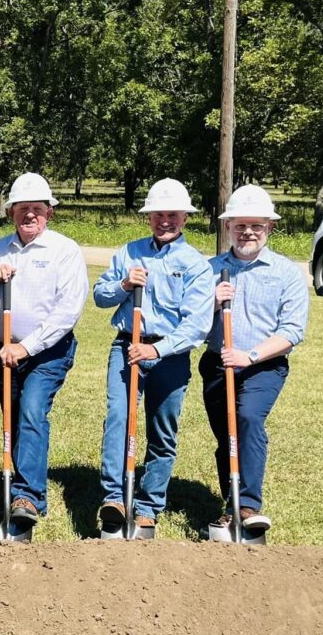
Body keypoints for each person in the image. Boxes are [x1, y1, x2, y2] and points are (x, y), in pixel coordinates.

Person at [93, 178, 213, 532]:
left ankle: (148, 504)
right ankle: (114, 497)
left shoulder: (195, 265)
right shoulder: (128, 253)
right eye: (159, 213)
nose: (165, 220)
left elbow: (197, 326)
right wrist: (124, 285)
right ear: (149, 216)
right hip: (127, 345)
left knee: (163, 429)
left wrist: (156, 348)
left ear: (185, 218)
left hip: (170, 354)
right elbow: (100, 296)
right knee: (118, 416)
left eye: (172, 214)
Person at [201, 185, 308, 533]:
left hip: (264, 365)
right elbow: (189, 323)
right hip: (218, 364)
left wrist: (249, 356)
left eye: (256, 226)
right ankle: (230, 504)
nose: (248, 232)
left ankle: (248, 505)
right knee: (226, 436)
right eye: (240, 225)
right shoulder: (210, 270)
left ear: (270, 228)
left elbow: (292, 331)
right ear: (228, 226)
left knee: (246, 419)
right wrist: (212, 303)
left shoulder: (286, 273)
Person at [0, 173, 88, 526]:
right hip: (5, 351)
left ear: (49, 212)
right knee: (12, 420)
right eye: (22, 208)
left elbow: (68, 311)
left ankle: (28, 497)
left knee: (30, 413)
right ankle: (18, 486)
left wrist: (26, 347)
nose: (30, 215)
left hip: (48, 352)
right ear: (11, 212)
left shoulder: (64, 250)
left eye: (37, 209)